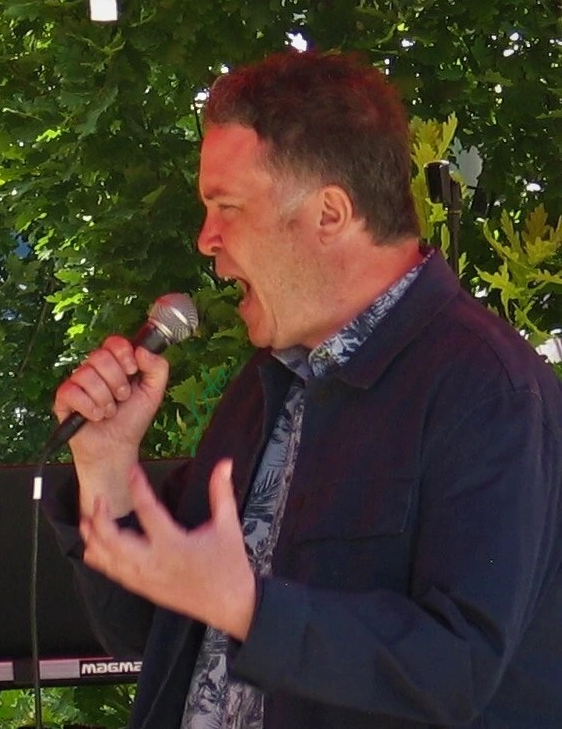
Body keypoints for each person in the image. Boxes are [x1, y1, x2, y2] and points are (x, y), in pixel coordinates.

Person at [45, 49, 562, 728]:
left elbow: (456, 668)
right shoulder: (269, 383)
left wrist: (251, 611)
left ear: (329, 214)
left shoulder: (486, 389)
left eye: (227, 207)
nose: (206, 239)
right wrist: (107, 468)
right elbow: (150, 636)